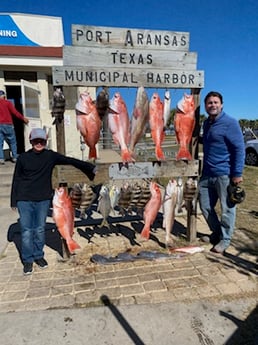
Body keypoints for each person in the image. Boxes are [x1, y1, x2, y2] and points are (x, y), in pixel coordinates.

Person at [11, 128, 97, 275]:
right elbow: (16, 178)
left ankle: (38, 256)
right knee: (26, 231)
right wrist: (13, 200)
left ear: (46, 141)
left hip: (43, 199)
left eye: (42, 140)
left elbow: (69, 160)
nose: (39, 143)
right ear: (31, 141)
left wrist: (89, 167)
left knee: (39, 229)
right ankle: (27, 259)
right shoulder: (23, 158)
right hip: (24, 199)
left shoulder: (50, 156)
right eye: (36, 140)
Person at [198, 91, 245, 254]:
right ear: (205, 106)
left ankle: (225, 240)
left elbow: (239, 148)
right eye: (209, 103)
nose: (212, 105)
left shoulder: (230, 123)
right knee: (204, 206)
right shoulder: (207, 124)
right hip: (207, 174)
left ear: (221, 104)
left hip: (224, 174)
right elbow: (208, 140)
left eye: (215, 102)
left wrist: (237, 173)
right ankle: (217, 233)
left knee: (227, 209)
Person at [0, 90, 29, 164]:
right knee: (12, 142)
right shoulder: (8, 103)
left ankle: (1, 158)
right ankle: (15, 157)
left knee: (0, 143)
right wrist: (23, 118)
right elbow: (15, 112)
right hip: (8, 125)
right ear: (4, 96)